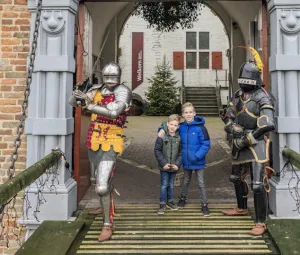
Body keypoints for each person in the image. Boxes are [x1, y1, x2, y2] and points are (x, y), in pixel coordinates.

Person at [69, 62, 132, 242]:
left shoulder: (123, 91)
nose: (111, 82)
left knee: (102, 186)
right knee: (96, 180)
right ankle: (106, 206)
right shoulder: (96, 89)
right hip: (93, 139)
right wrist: (78, 94)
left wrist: (88, 105)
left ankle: (107, 224)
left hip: (111, 140)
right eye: (108, 78)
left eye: (114, 78)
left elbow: (113, 113)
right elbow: (73, 104)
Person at [220, 47, 275, 236]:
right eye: (242, 82)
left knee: (258, 184)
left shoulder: (263, 96)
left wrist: (248, 139)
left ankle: (261, 221)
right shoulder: (237, 95)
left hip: (256, 142)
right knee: (236, 178)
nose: (244, 85)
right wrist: (231, 127)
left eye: (247, 82)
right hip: (238, 138)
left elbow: (268, 124)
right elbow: (227, 115)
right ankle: (242, 207)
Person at [159, 102, 211, 216]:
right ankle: (183, 198)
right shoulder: (180, 127)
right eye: (186, 112)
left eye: (190, 112)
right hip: (186, 161)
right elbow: (168, 125)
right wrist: (160, 129)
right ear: (182, 114)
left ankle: (204, 204)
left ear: (194, 113)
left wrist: (197, 156)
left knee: (201, 183)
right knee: (186, 181)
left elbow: (206, 144)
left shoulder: (201, 128)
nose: (188, 114)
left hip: (198, 161)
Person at [154, 114, 182, 215]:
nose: (172, 127)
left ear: (178, 126)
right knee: (164, 185)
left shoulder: (179, 137)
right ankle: (162, 204)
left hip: (174, 167)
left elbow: (181, 153)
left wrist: (177, 164)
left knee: (171, 185)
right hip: (164, 167)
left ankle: (170, 201)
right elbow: (157, 150)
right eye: (171, 124)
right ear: (167, 124)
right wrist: (163, 163)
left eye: (175, 125)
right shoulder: (161, 135)